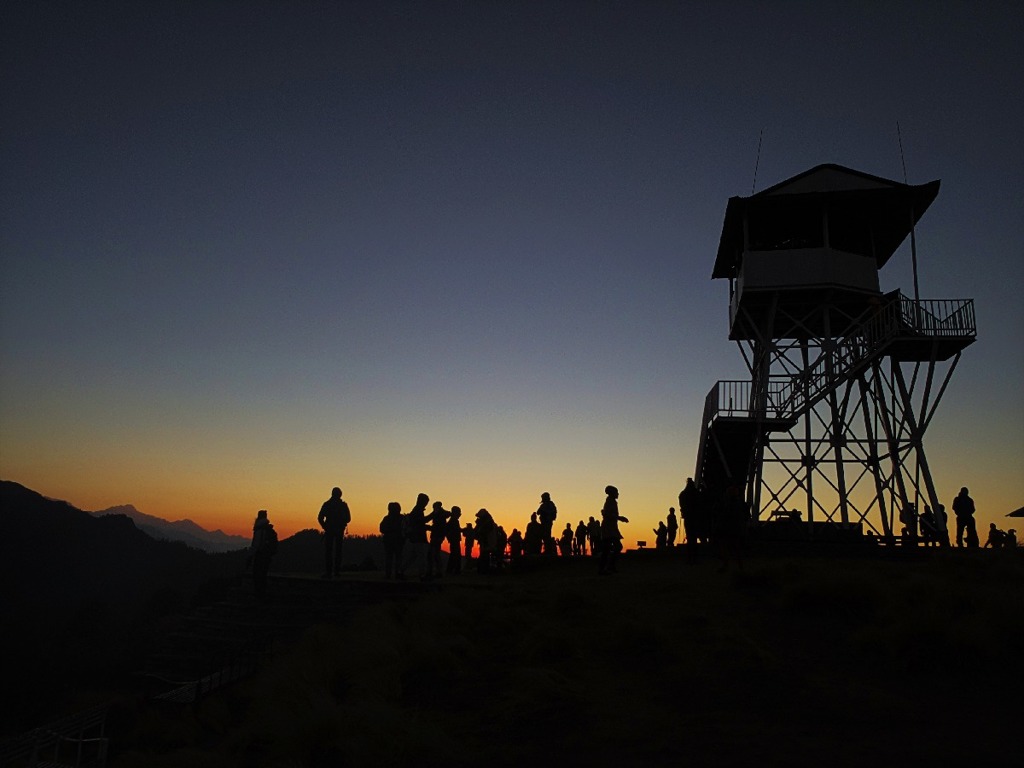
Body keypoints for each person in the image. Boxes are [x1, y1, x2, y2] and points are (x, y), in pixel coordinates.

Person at [318, 487, 351, 578]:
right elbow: (348, 519)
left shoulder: (327, 504)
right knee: (338, 551)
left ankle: (329, 572)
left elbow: (320, 518)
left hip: (331, 530)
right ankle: (336, 572)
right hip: (338, 530)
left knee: (329, 551)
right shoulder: (343, 505)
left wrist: (325, 527)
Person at [598, 485, 629, 575]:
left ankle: (608, 567)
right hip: (608, 528)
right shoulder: (610, 502)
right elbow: (607, 514)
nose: (618, 494)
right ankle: (605, 568)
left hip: (611, 528)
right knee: (609, 548)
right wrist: (620, 518)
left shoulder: (612, 502)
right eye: (616, 492)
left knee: (611, 548)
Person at [249, 509, 277, 603]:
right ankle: (261, 595)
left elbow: (256, 545)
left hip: (260, 555)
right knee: (262, 575)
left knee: (257, 575)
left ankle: (259, 596)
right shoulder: (267, 529)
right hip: (266, 556)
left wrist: (250, 556)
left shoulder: (259, 529)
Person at [402, 493, 429, 579]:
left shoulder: (416, 510)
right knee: (421, 556)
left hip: (415, 537)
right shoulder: (418, 511)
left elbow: (419, 523)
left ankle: (401, 570)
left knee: (413, 556)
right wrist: (433, 514)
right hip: (418, 537)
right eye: (426, 502)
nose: (426, 503)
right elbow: (421, 522)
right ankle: (422, 574)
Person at [379, 502, 405, 579]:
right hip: (398, 541)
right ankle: (397, 574)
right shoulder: (402, 518)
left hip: (389, 541)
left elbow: (382, 529)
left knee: (389, 558)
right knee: (398, 558)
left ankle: (389, 574)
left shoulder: (387, 518)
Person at [425, 501, 449, 579]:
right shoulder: (438, 514)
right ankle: (437, 571)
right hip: (437, 536)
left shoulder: (440, 514)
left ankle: (435, 571)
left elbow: (429, 520)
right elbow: (428, 519)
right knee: (434, 554)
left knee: (434, 554)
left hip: (437, 536)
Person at [678, 478, 699, 562]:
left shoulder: (683, 494)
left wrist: (683, 510)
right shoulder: (696, 493)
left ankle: (690, 557)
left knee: (690, 536)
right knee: (693, 537)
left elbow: (681, 501)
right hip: (695, 517)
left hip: (688, 517)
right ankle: (694, 557)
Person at [446, 507, 463, 575]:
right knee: (456, 555)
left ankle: (451, 570)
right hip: (454, 540)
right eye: (459, 513)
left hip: (454, 540)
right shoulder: (454, 520)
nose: (460, 514)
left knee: (454, 555)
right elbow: (454, 530)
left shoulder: (453, 520)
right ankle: (455, 570)